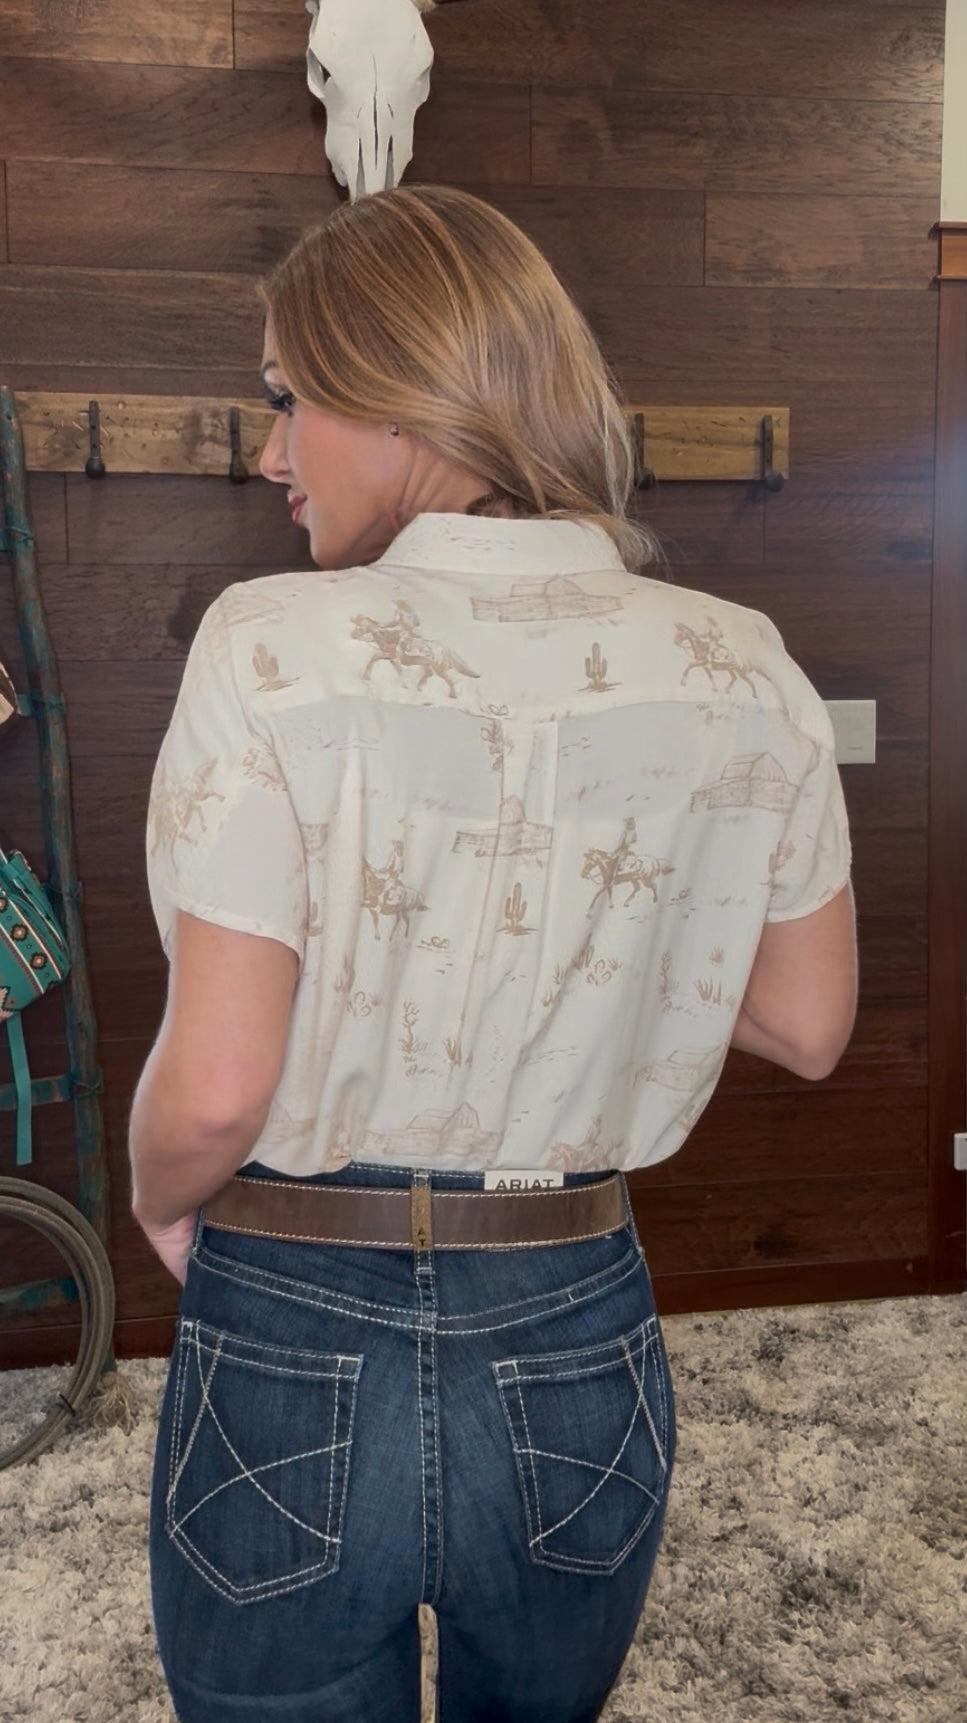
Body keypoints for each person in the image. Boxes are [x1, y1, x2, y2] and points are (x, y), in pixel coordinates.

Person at [141, 183, 857, 1722]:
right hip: (574, 1310)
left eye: (289, 397)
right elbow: (809, 1021)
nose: (270, 452)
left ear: (404, 398)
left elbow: (214, 1089)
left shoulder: (269, 642)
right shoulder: (742, 663)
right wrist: (615, 937)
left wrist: (154, 1197)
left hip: (292, 1306)